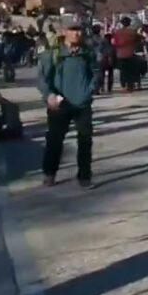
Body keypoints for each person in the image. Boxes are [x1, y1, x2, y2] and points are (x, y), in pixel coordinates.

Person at [36, 24, 101, 188]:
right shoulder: (54, 53)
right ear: (64, 32)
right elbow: (42, 78)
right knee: (55, 140)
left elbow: (96, 72)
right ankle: (49, 173)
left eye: (79, 30)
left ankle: (85, 176)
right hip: (60, 104)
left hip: (82, 103)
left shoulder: (87, 53)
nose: (77, 33)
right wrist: (49, 95)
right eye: (72, 30)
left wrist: (90, 89)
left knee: (85, 140)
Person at [112, 17, 140, 92]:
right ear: (129, 23)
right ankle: (130, 85)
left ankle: (123, 85)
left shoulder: (117, 32)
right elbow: (138, 41)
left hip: (120, 54)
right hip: (130, 53)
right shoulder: (133, 32)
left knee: (123, 70)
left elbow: (114, 43)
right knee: (130, 70)